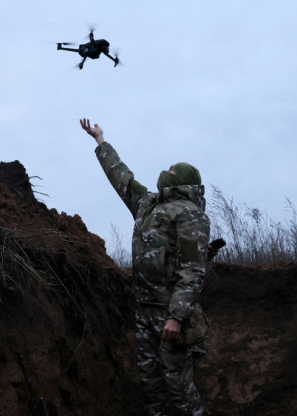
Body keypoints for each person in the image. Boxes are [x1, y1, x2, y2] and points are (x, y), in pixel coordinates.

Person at [80, 118, 210, 416]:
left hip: (170, 317)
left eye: (172, 170)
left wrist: (177, 317)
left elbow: (193, 270)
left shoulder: (191, 215)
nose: (165, 171)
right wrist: (100, 141)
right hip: (144, 313)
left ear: (182, 181)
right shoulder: (148, 204)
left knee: (179, 390)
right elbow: (122, 177)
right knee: (151, 388)